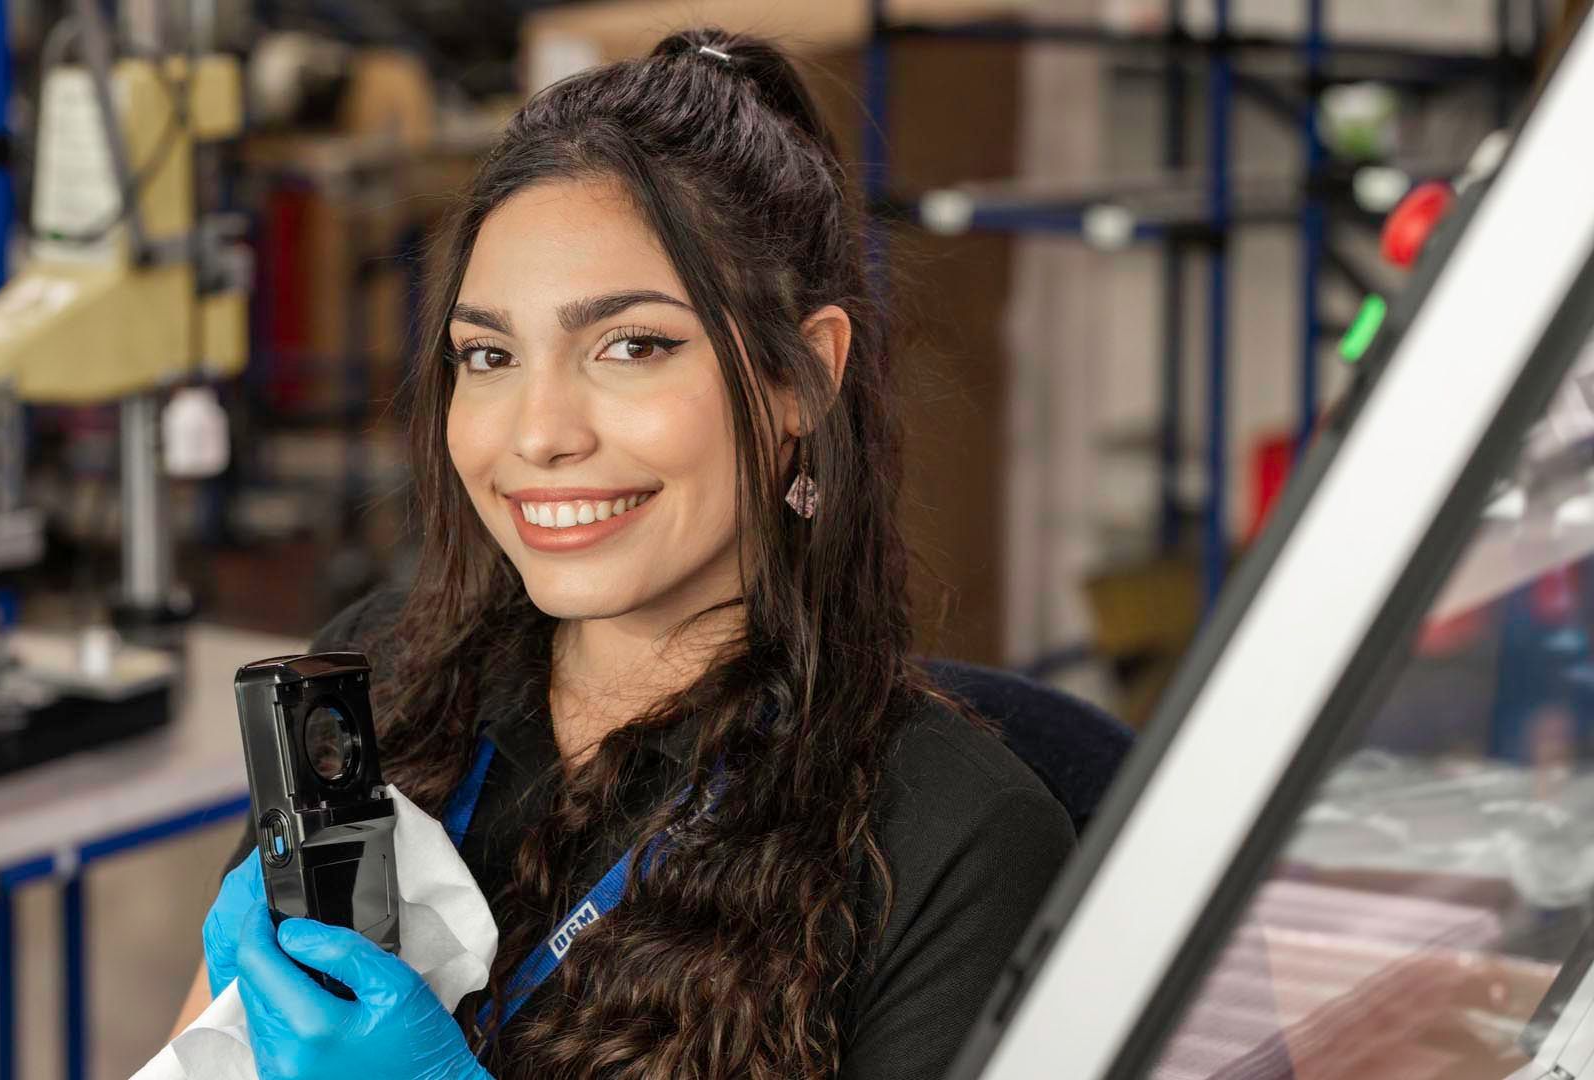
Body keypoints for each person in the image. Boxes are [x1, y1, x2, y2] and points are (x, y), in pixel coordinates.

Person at [171, 27, 1075, 1080]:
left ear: (804, 377)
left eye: (632, 346)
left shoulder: (953, 846)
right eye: (490, 354)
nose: (540, 431)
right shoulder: (380, 687)